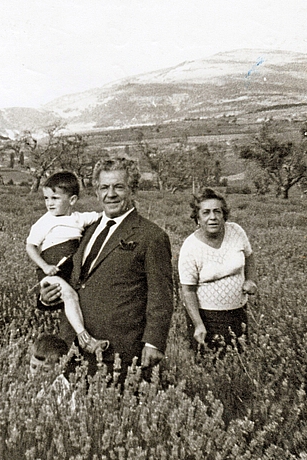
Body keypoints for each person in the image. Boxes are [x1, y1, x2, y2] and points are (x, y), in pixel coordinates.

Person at [40, 158, 173, 378]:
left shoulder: (152, 236)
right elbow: (73, 279)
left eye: (118, 187)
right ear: (96, 191)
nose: (110, 194)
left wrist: (154, 342)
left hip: (119, 351)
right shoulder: (86, 229)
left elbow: (161, 295)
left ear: (133, 189)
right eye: (104, 187)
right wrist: (47, 297)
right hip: (73, 345)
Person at [26, 171, 107, 355]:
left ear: (72, 200)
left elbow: (102, 216)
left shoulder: (78, 218)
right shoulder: (44, 222)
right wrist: (45, 266)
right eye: (46, 198)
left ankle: (83, 338)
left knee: (71, 297)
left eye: (55, 198)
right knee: (70, 297)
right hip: (50, 272)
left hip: (67, 271)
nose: (49, 203)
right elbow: (30, 246)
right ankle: (84, 338)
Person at [178, 187, 257, 354]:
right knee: (210, 364)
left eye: (217, 212)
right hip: (208, 318)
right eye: (206, 212)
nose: (212, 217)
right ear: (197, 218)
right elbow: (188, 291)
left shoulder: (236, 231)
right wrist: (199, 324)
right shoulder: (190, 247)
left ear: (224, 215)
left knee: (239, 360)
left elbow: (249, 256)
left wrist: (250, 280)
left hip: (238, 313)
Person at [29, 334, 74, 408]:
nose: (37, 374)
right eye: (33, 367)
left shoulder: (62, 392)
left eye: (45, 370)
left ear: (61, 368)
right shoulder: (35, 388)